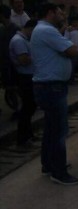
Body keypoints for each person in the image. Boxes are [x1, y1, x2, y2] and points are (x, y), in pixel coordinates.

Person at [31, 2, 78, 185]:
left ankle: (48, 164)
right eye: (60, 12)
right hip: (52, 87)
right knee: (59, 130)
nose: (63, 15)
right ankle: (59, 172)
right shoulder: (47, 31)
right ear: (50, 13)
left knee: (51, 129)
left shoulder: (43, 30)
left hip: (48, 86)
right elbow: (72, 50)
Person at [9, 19, 38, 148]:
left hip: (29, 76)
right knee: (27, 108)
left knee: (31, 107)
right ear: (30, 29)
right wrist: (38, 56)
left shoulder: (25, 39)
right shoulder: (18, 41)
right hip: (24, 77)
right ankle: (23, 138)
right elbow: (23, 60)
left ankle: (29, 134)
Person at [64, 15, 78, 82]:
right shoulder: (68, 29)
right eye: (74, 22)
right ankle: (71, 80)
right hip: (72, 50)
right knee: (72, 66)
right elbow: (65, 39)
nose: (75, 23)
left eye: (76, 22)